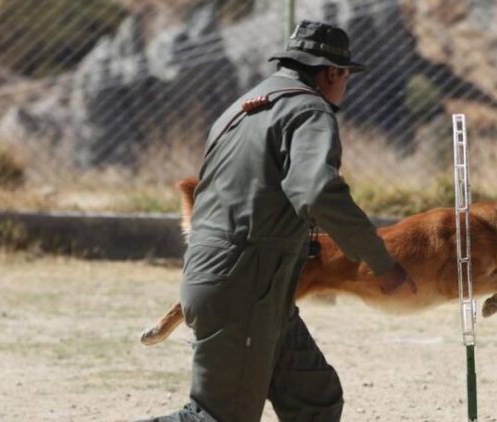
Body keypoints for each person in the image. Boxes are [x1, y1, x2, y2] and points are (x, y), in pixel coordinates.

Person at [141, 20, 416, 422]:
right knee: (215, 418)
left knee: (314, 399)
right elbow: (318, 192)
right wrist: (382, 263)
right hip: (246, 284)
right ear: (332, 72)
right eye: (346, 76)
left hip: (247, 283)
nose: (345, 85)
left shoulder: (242, 108)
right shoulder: (309, 111)